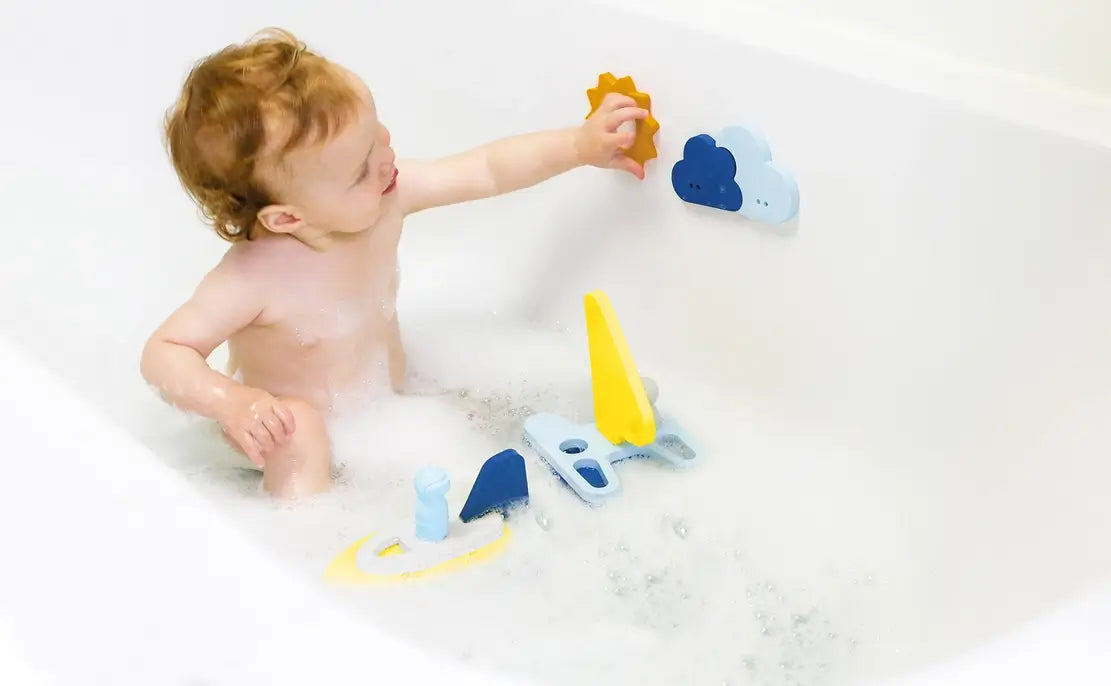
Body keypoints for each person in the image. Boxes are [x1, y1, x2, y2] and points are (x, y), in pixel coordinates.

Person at [139, 28, 649, 499]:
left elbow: (486, 170)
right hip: (274, 435)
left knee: (472, 409)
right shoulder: (254, 277)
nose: (387, 157)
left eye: (376, 133)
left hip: (380, 409)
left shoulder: (385, 197)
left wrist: (579, 146)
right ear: (287, 217)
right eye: (360, 168)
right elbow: (164, 352)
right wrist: (233, 403)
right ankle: (306, 543)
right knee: (302, 430)